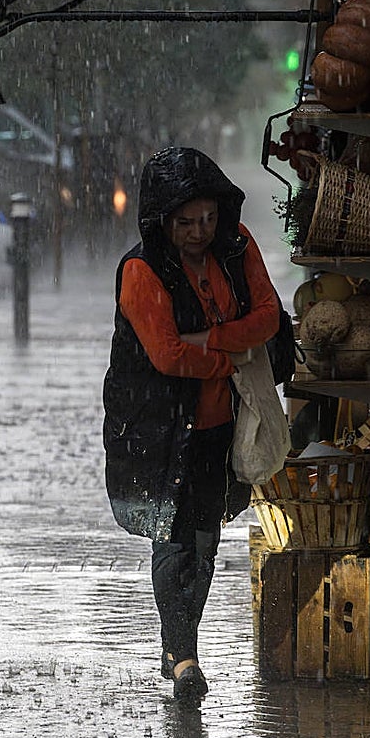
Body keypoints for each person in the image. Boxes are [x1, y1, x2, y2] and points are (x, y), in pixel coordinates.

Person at [102, 147, 280, 703]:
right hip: (158, 427)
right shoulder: (140, 270)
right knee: (173, 539)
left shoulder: (237, 246)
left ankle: (179, 643)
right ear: (161, 221)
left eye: (207, 218)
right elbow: (167, 355)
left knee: (204, 541)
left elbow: (269, 317)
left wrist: (212, 339)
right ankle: (184, 659)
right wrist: (229, 358)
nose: (199, 232)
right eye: (185, 222)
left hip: (219, 425)